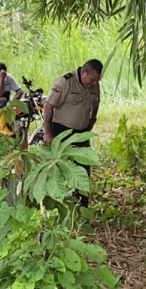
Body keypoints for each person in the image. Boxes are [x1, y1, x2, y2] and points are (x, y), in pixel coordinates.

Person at [43, 59, 104, 205]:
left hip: (81, 133)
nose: (94, 83)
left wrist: (92, 120)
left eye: (97, 80)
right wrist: (48, 133)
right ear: (83, 72)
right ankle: (56, 203)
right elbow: (48, 108)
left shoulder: (95, 86)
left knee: (82, 169)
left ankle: (81, 204)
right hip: (61, 131)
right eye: (91, 80)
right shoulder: (65, 83)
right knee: (59, 168)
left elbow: (96, 103)